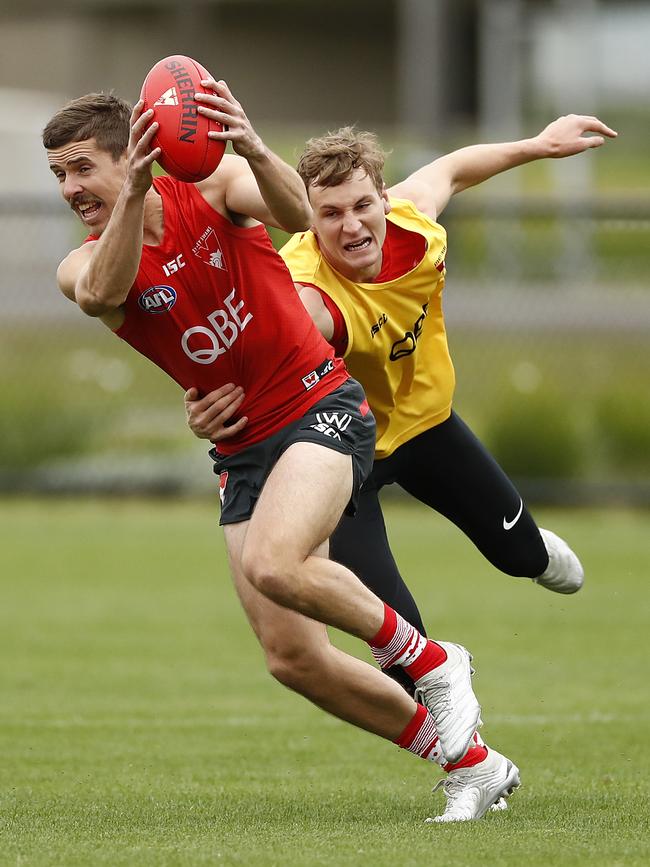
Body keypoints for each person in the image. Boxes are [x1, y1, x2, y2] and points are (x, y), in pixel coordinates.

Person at [43, 82, 519, 824]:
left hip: (316, 405)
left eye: (80, 168)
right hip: (241, 450)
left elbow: (301, 216)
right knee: (292, 658)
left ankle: (434, 661)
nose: (70, 188)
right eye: (58, 176)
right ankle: (471, 762)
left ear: (132, 152)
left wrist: (254, 145)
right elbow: (101, 294)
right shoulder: (82, 263)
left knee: (275, 559)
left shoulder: (218, 187)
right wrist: (132, 194)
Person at [187, 115, 618, 640]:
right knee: (397, 632)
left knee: (521, 557)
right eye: (330, 213)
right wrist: (206, 406)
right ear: (308, 220)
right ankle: (439, 716)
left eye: (362, 205)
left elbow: (455, 169)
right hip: (343, 455)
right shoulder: (305, 298)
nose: (351, 225)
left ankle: (531, 547)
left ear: (384, 199)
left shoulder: (415, 223)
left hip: (428, 425)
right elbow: (245, 361)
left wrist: (538, 145)